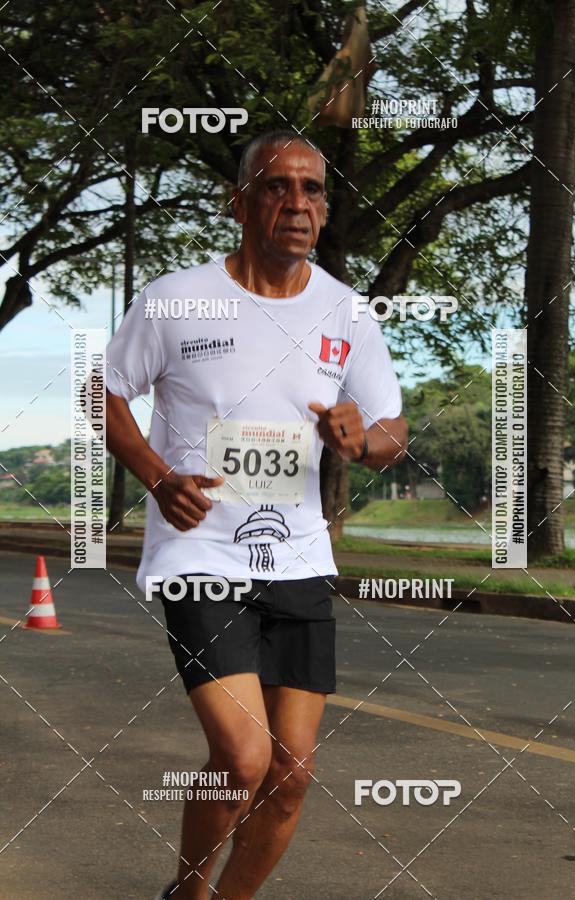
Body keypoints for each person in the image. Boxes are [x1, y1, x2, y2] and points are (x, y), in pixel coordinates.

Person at [105, 129, 407, 900]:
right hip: (199, 555)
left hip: (299, 559)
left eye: (312, 190)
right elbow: (100, 391)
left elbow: (391, 432)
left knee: (292, 773)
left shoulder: (346, 311)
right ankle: (186, 887)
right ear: (239, 202)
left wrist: (361, 439)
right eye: (278, 187)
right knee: (242, 758)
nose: (297, 204)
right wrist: (157, 473)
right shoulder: (175, 299)